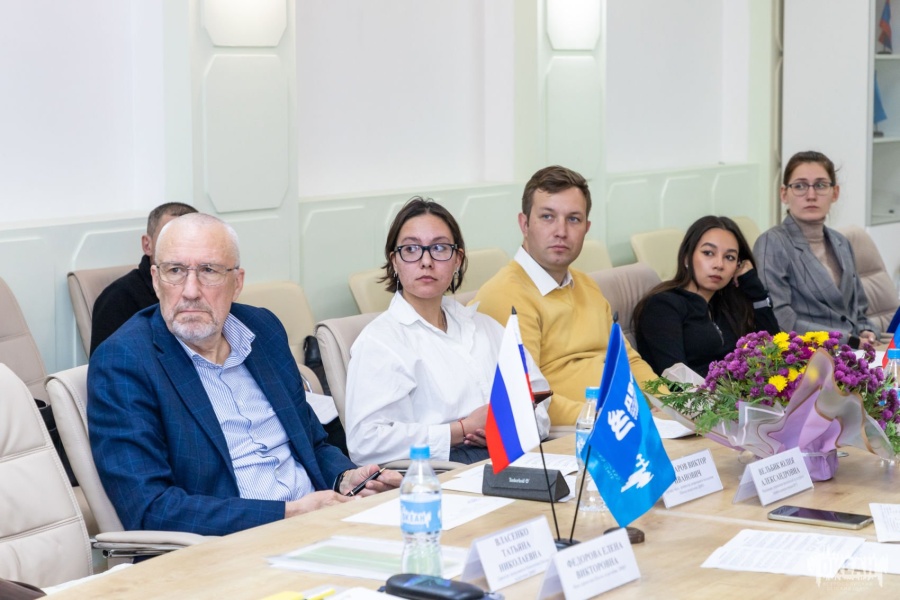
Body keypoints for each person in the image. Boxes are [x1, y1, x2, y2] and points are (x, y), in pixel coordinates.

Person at [88, 213, 400, 537]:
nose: (190, 291)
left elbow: (311, 443)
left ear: (237, 282)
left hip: (321, 525)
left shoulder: (262, 330)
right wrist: (290, 514)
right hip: (231, 546)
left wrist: (346, 478)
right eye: (175, 271)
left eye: (209, 271)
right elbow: (152, 509)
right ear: (155, 279)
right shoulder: (125, 361)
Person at [345, 198, 551, 465]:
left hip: (513, 454)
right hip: (440, 471)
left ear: (457, 260)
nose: (426, 261)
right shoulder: (380, 341)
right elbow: (365, 443)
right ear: (394, 261)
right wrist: (462, 430)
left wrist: (507, 429)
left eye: (440, 248)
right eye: (411, 249)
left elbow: (539, 400)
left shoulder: (486, 327)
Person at [473, 166, 657, 426]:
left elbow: (628, 361)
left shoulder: (586, 285)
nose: (561, 231)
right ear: (524, 224)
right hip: (574, 432)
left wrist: (673, 404)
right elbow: (526, 396)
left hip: (625, 422)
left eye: (573, 219)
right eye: (547, 217)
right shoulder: (504, 295)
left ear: (586, 228)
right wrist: (606, 419)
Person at [754, 151, 879, 348]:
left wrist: (866, 331)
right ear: (784, 194)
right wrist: (846, 339)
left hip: (855, 351)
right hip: (805, 355)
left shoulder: (841, 242)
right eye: (800, 186)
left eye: (820, 185)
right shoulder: (772, 243)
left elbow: (858, 309)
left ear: (835, 192)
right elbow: (780, 318)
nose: (811, 195)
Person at [633, 216, 780, 377]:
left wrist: (754, 288)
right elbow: (676, 380)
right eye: (708, 253)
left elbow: (772, 351)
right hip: (691, 393)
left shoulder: (725, 305)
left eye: (729, 257)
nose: (719, 265)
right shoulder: (663, 306)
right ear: (687, 257)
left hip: (736, 392)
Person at [90, 202, 197, 355]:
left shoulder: (211, 288)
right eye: (169, 240)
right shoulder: (118, 298)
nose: (182, 250)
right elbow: (108, 362)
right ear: (148, 245)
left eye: (192, 241)